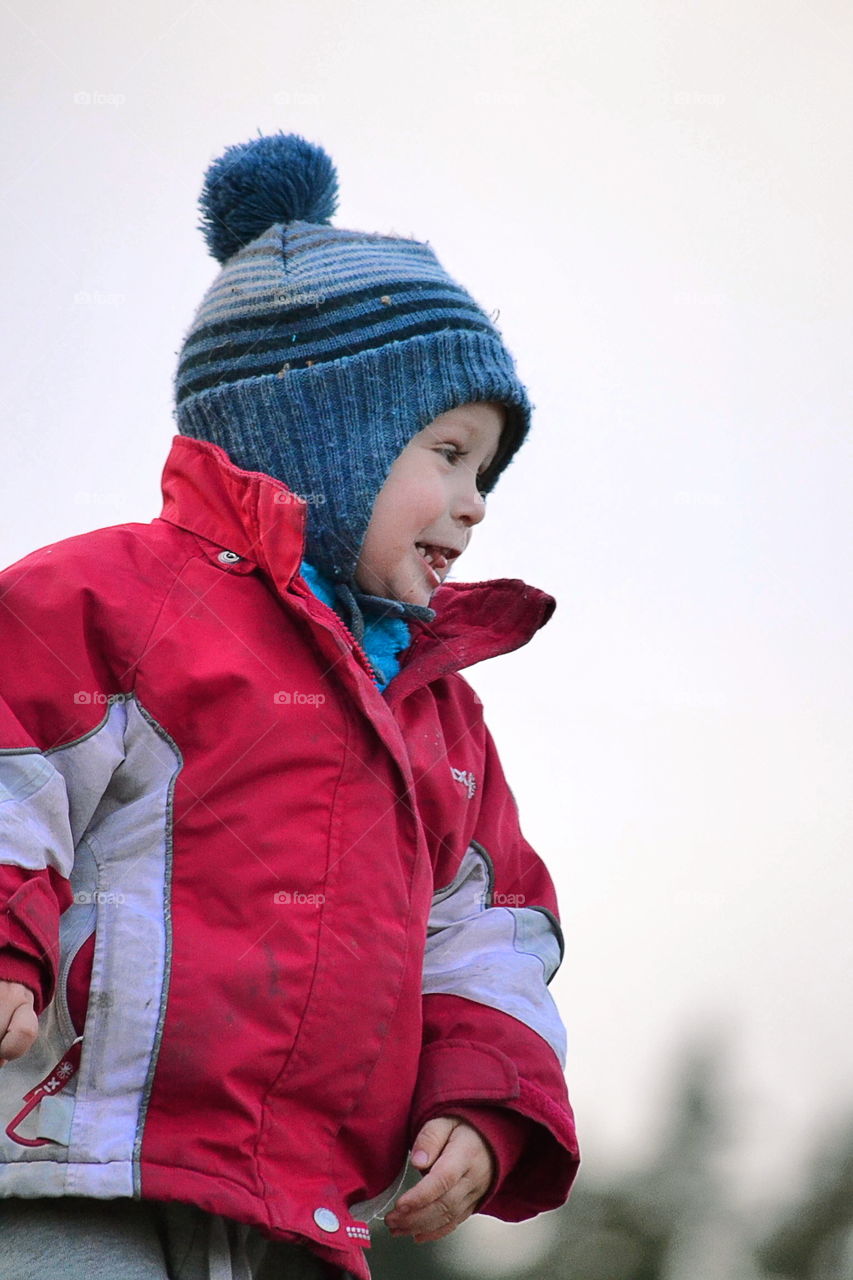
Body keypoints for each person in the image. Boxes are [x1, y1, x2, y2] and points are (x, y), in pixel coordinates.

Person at [0, 132, 579, 1279]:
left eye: (486, 475)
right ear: (328, 434)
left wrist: (484, 1093)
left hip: (296, 1210)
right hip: (72, 1172)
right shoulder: (114, 606)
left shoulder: (436, 715)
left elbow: (485, 931)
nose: (471, 506)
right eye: (449, 453)